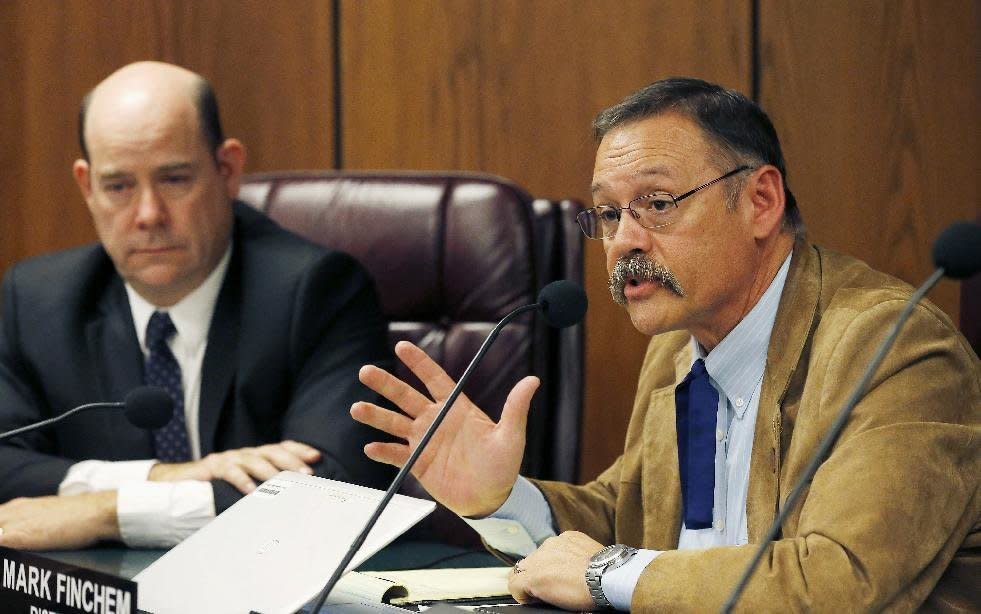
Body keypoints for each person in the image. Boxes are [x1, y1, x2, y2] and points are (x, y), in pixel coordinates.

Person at [351, 78, 980, 611]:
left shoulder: (895, 349)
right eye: (607, 214)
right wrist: (501, 498)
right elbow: (624, 519)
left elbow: (844, 581)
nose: (624, 240)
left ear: (761, 201)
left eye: (656, 203)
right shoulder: (681, 343)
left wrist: (606, 576)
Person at [0, 61, 392, 550]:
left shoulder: (316, 291)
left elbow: (334, 489)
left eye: (174, 179)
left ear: (227, 170)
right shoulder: (38, 300)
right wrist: (167, 476)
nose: (148, 215)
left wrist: (106, 510)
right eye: (118, 186)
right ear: (87, 186)